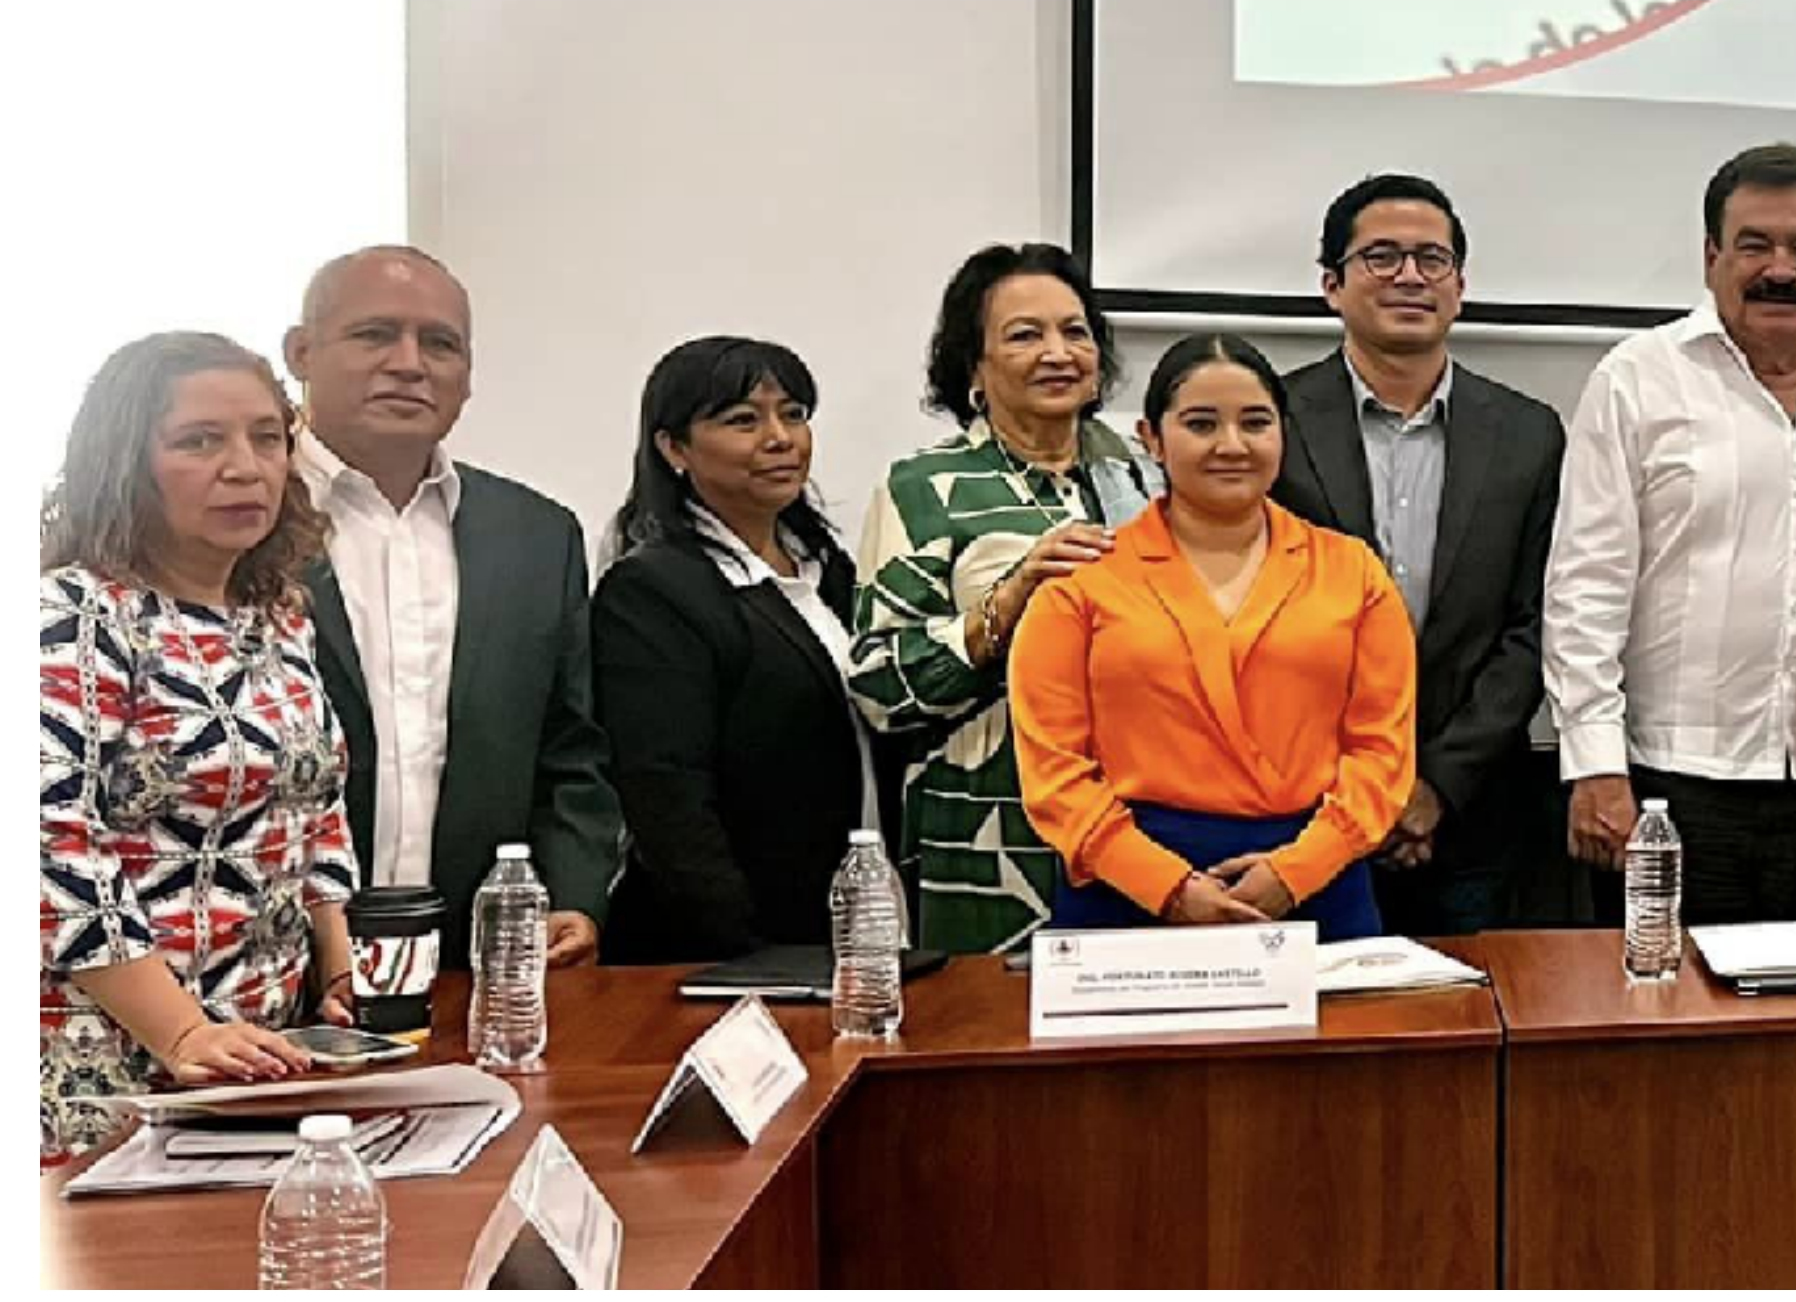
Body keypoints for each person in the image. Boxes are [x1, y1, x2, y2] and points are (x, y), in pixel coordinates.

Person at [1546, 142, 1796, 921]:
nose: (1780, 268)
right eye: (1754, 245)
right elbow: (1586, 584)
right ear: (1712, 255)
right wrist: (1594, 764)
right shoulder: (1636, 377)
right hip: (1668, 782)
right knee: (1670, 1022)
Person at [40, 332, 355, 1154]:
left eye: (267, 436)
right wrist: (181, 1034)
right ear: (126, 464)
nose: (245, 466)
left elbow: (315, 814)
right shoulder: (72, 617)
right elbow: (51, 847)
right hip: (110, 1070)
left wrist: (346, 975)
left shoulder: (278, 615)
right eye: (199, 441)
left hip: (258, 1057)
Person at [1010, 332, 1415, 941]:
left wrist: (1295, 871)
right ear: (1151, 439)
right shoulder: (1081, 580)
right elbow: (1054, 771)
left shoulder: (1352, 571)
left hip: (1317, 884)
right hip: (1126, 892)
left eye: (1255, 423)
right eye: (1201, 424)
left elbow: (1382, 753)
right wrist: (1167, 887)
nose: (1232, 445)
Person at [285, 246, 619, 965]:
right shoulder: (236, 516)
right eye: (374, 334)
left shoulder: (536, 535)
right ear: (301, 352)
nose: (409, 363)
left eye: (440, 343)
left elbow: (569, 750)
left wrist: (573, 893)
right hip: (260, 975)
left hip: (484, 964)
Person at [1271, 173, 1569, 934]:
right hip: (1301, 805)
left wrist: (1434, 784)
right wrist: (1361, 788)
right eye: (1382, 257)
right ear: (1332, 285)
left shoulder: (1529, 436)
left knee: (1470, 1027)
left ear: (1460, 287)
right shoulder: (1267, 424)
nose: (1410, 276)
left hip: (1472, 814)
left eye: (1432, 259)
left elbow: (1533, 630)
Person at [848, 242, 1153, 955]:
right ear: (973, 367)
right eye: (1025, 335)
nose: (1058, 352)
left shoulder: (1149, 481)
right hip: (997, 836)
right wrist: (1010, 603)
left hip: (1149, 820)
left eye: (1075, 332)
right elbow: (880, 688)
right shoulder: (925, 488)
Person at [590, 336, 877, 961]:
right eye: (743, 420)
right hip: (731, 948)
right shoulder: (652, 589)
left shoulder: (828, 571)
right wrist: (747, 952)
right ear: (674, 448)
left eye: (794, 414)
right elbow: (668, 803)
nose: (780, 438)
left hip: (846, 922)